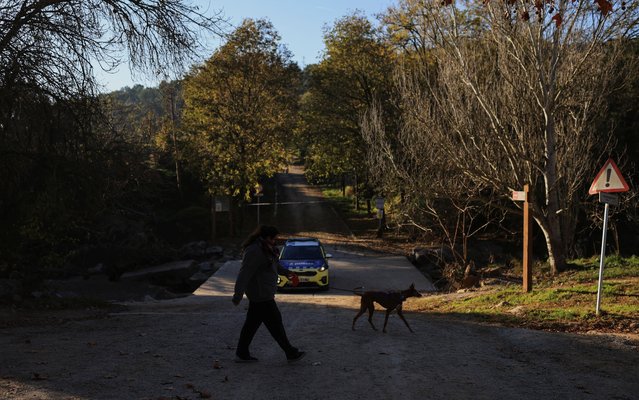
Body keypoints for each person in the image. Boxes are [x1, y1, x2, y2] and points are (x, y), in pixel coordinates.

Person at [232, 225, 305, 363]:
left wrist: (288, 273)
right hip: (260, 295)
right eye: (274, 238)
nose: (275, 241)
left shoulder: (267, 249)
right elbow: (244, 273)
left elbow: (274, 265)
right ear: (266, 237)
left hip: (264, 294)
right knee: (275, 323)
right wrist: (238, 295)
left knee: (251, 325)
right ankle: (290, 352)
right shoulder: (254, 251)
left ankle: (241, 353)